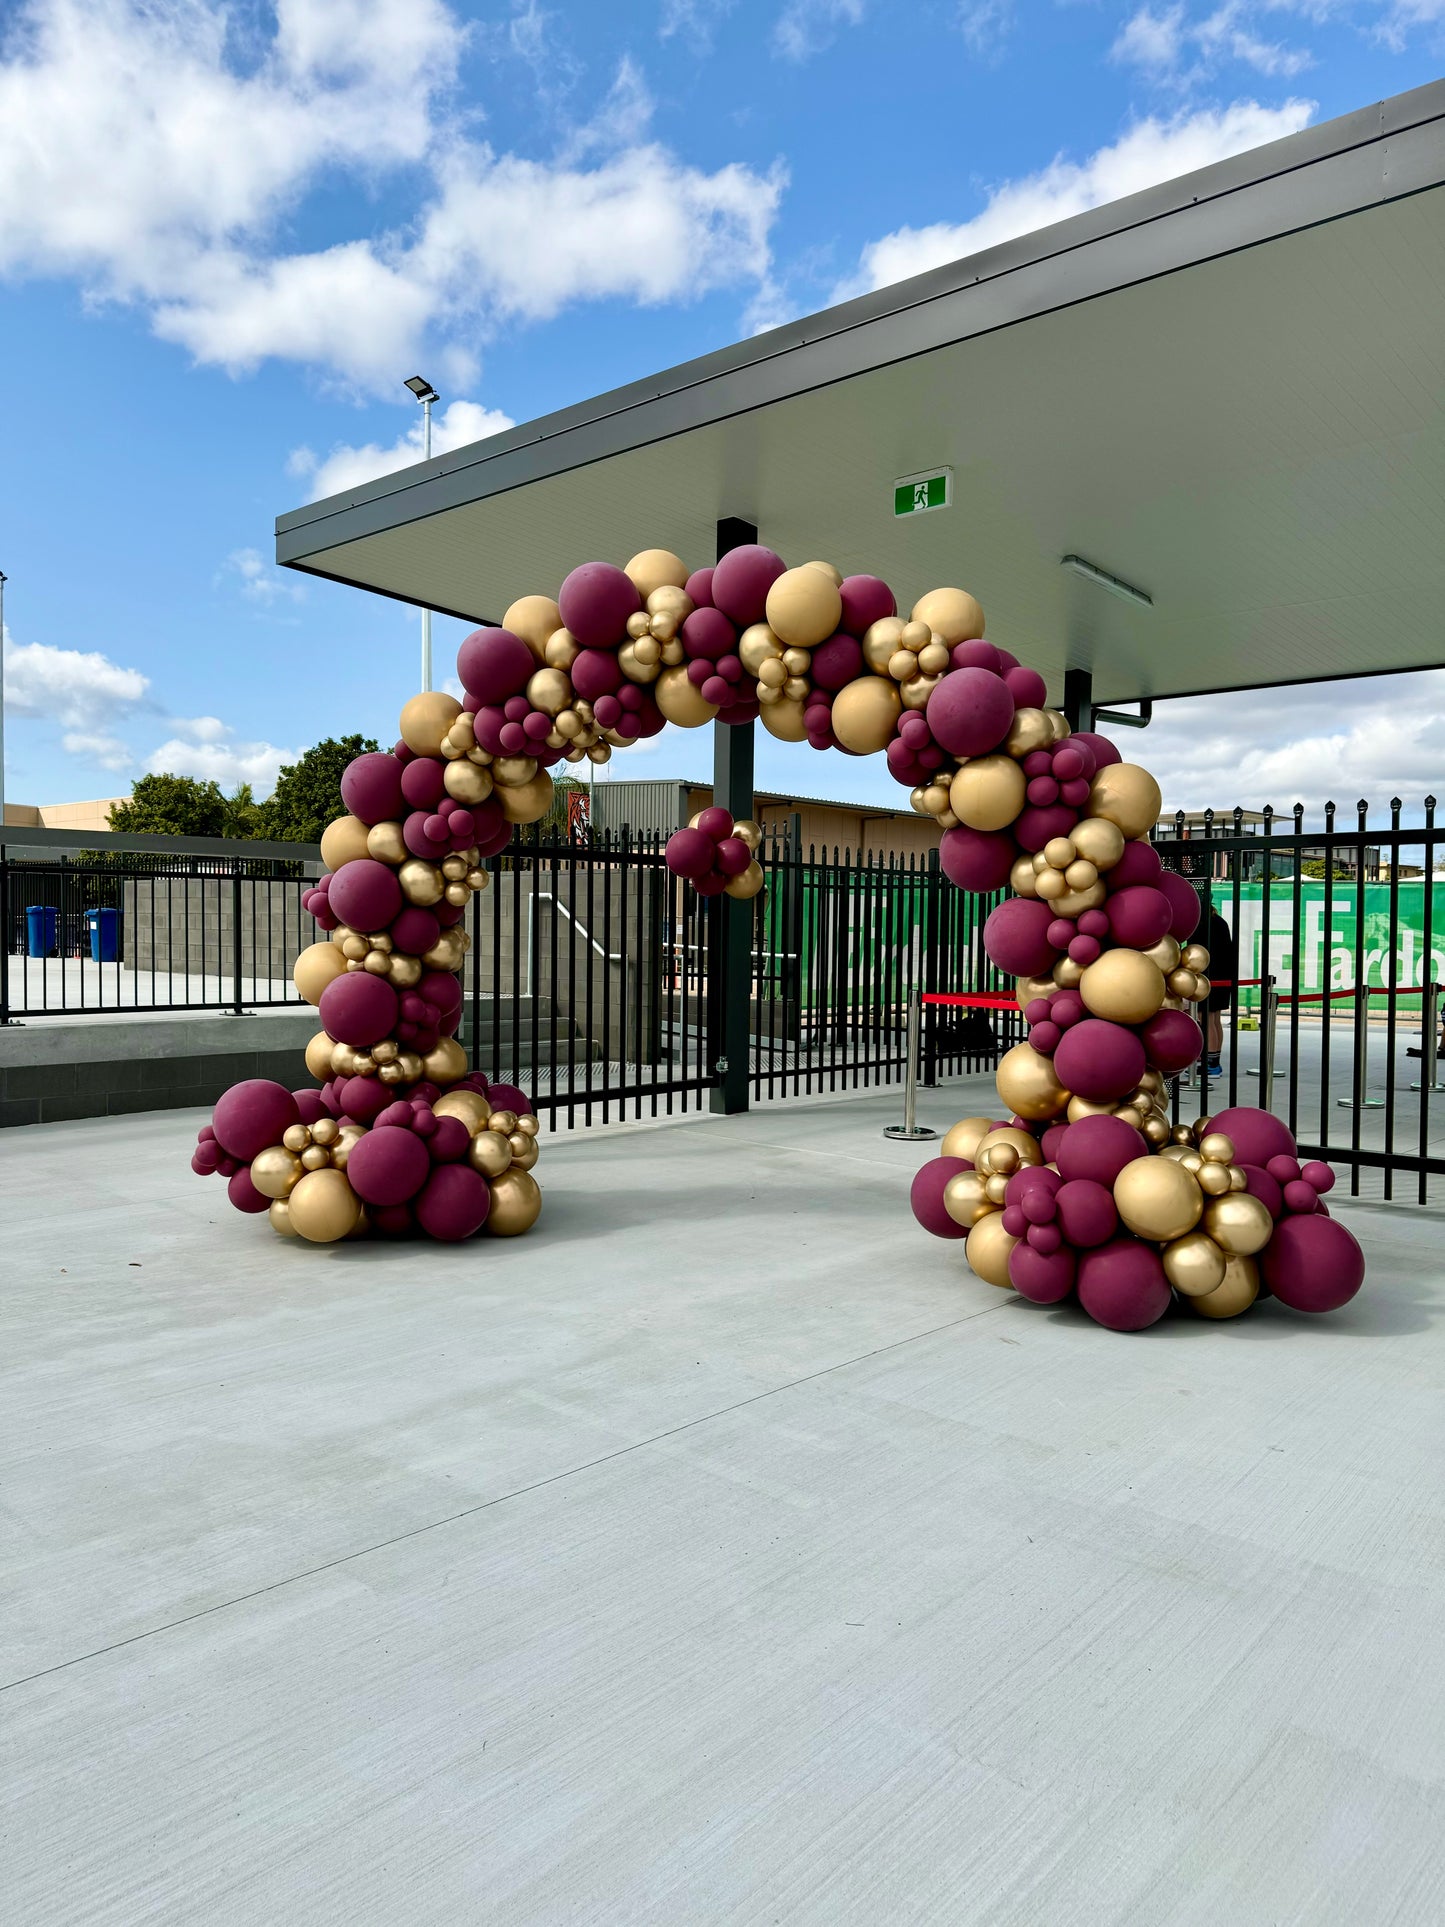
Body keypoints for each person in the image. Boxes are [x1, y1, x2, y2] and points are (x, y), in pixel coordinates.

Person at [1205, 907, 1236, 1079]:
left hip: (1211, 977)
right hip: (1222, 978)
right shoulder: (1219, 921)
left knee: (1207, 1020)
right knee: (1214, 1019)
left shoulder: (1207, 924)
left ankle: (1211, 1063)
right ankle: (1213, 1060)